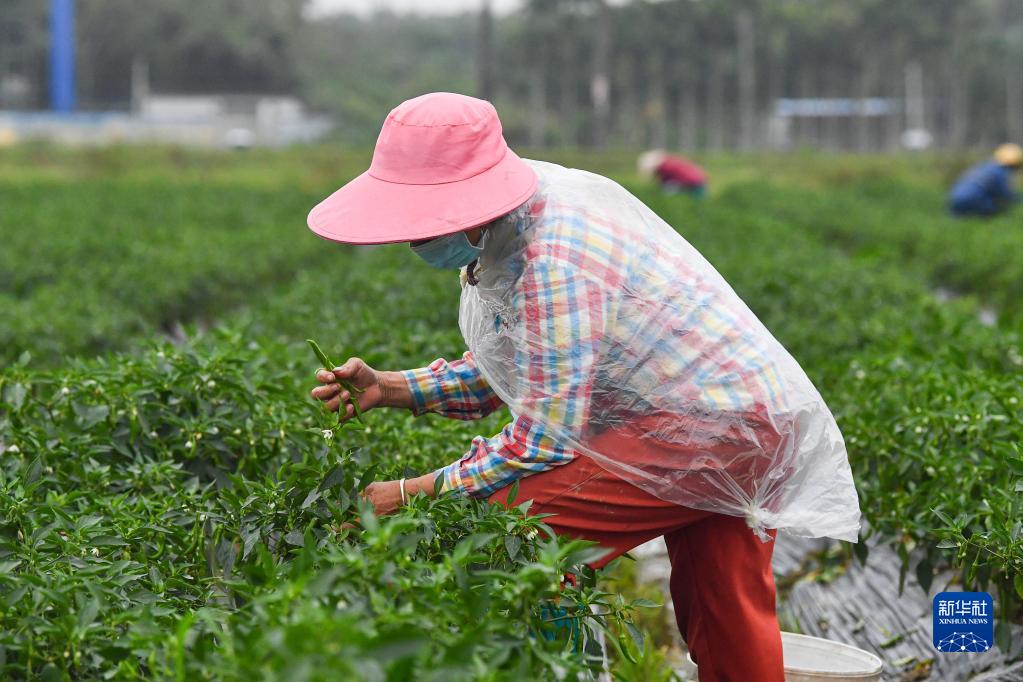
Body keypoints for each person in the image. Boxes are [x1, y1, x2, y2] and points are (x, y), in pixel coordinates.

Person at [307, 92, 861, 681]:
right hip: (738, 420)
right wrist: (392, 387)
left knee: (516, 533)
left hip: (705, 427)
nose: (416, 239)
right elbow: (522, 368)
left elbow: (540, 441)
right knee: (727, 613)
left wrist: (411, 492)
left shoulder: (553, 260)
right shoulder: (512, 227)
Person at [948, 143, 1022, 217]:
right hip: (975, 200)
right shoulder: (1000, 173)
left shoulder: (983, 166)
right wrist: (1018, 199)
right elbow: (1004, 194)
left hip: (954, 199)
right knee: (999, 209)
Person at [638, 149, 708, 197]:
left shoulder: (665, 166)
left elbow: (663, 182)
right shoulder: (669, 161)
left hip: (693, 182)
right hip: (698, 180)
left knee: (668, 190)